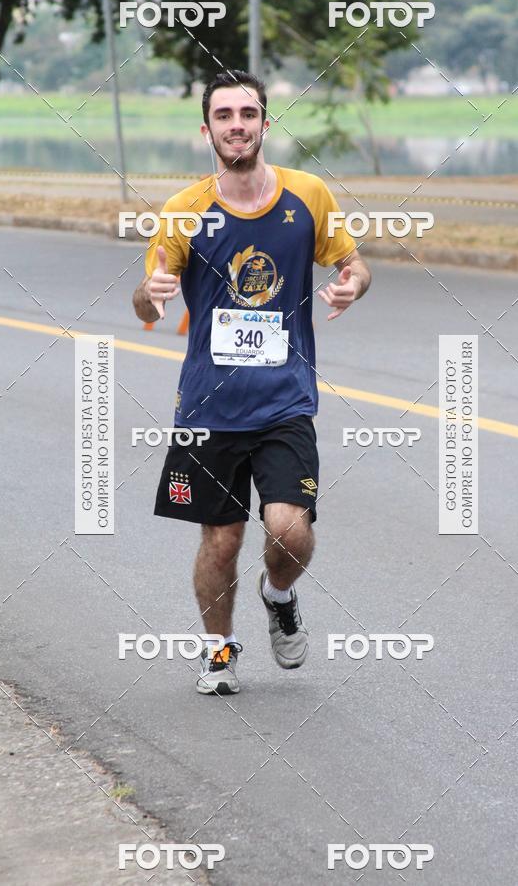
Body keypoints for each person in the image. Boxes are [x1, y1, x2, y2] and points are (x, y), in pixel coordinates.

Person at [132, 70, 371, 695]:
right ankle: (217, 650)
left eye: (248, 113)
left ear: (265, 123)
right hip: (208, 406)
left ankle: (279, 594)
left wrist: (355, 282)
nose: (236, 124)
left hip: (285, 400)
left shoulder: (307, 195)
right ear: (206, 129)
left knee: (290, 529)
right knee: (222, 535)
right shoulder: (185, 210)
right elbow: (146, 302)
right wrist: (149, 296)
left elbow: (353, 262)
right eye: (224, 115)